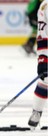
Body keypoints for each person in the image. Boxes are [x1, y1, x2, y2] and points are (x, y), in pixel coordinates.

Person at [28, 0, 48, 128]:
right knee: (45, 79)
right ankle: (36, 111)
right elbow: (42, 34)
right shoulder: (44, 6)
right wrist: (43, 58)